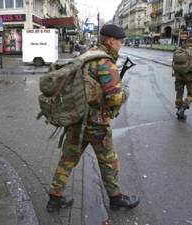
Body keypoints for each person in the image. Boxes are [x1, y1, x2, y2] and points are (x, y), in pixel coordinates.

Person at [46, 24, 140, 212]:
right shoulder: (105, 63)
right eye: (120, 41)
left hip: (77, 119)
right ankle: (115, 198)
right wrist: (126, 92)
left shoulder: (86, 55)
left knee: (67, 159)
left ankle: (54, 199)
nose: (121, 45)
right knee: (108, 160)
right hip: (96, 124)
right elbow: (114, 98)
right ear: (111, 41)